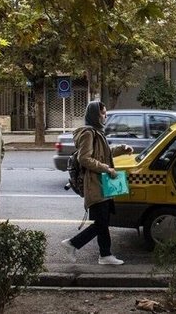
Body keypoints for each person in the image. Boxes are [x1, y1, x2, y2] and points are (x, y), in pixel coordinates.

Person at [61, 101, 133, 265]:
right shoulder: (88, 133)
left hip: (102, 183)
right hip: (95, 184)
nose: (105, 116)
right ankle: (72, 243)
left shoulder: (97, 132)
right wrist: (107, 169)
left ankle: (105, 255)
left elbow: (104, 153)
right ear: (94, 114)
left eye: (105, 113)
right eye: (102, 113)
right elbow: (84, 158)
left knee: (103, 221)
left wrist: (122, 148)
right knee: (101, 222)